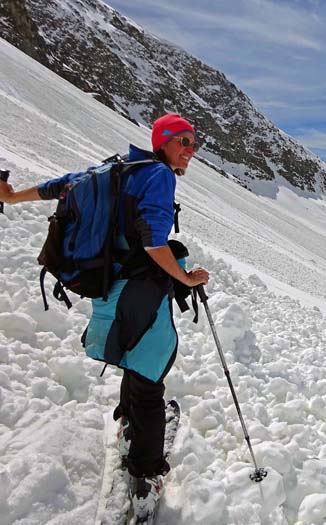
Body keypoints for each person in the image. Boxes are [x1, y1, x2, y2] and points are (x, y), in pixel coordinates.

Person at [0, 113, 209, 517]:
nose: (191, 150)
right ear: (162, 142)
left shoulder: (116, 169)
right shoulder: (159, 176)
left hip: (107, 284)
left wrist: (9, 198)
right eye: (183, 141)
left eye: (193, 143)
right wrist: (184, 276)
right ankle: (145, 476)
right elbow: (153, 241)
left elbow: (58, 187)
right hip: (139, 287)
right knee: (150, 369)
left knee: (133, 355)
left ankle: (128, 421)